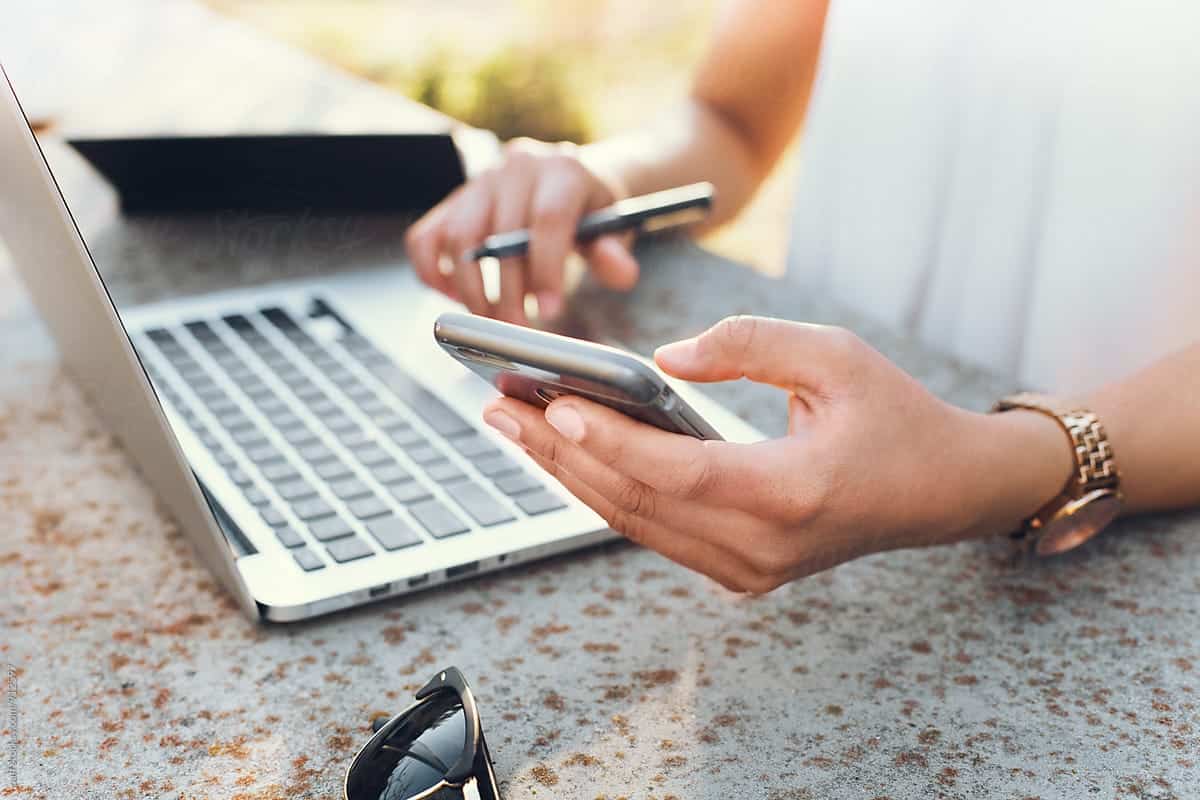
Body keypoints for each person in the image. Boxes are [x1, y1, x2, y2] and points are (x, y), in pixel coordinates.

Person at [405, 0, 1200, 592]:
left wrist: (1005, 465)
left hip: (1134, 563)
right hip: (824, 495)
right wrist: (601, 178)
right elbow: (732, 118)